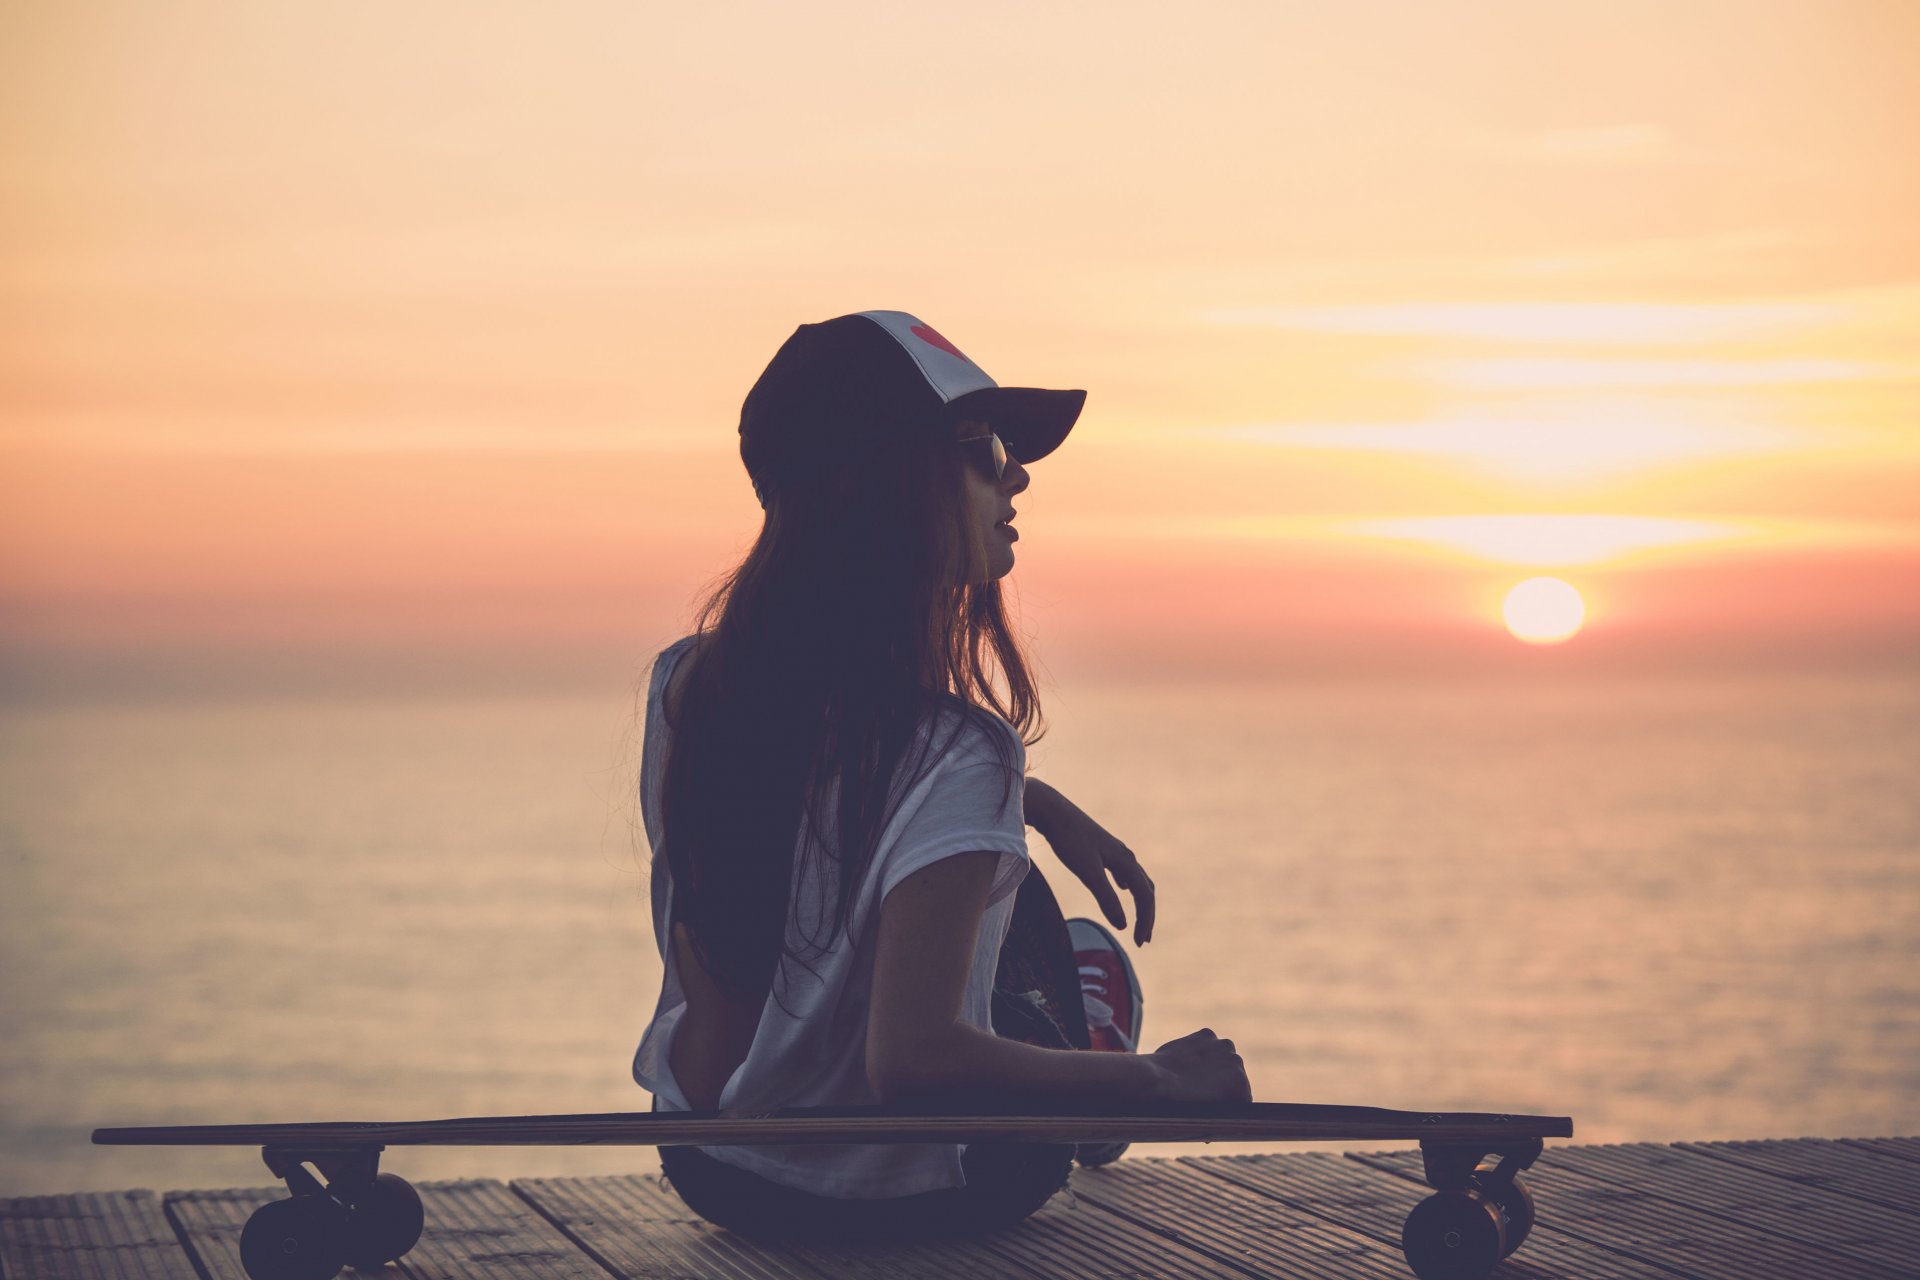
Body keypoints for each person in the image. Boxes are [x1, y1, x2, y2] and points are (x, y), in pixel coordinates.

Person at [631, 310, 1250, 1245]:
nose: (1018, 475)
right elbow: (915, 1062)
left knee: (970, 845)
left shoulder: (688, 685)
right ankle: (1085, 1038)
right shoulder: (966, 752)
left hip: (714, 1169)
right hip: (931, 1190)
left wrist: (1033, 800)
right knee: (1024, 903)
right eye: (983, 448)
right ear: (882, 483)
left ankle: (1067, 1014)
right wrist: (1161, 1081)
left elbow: (824, 778)